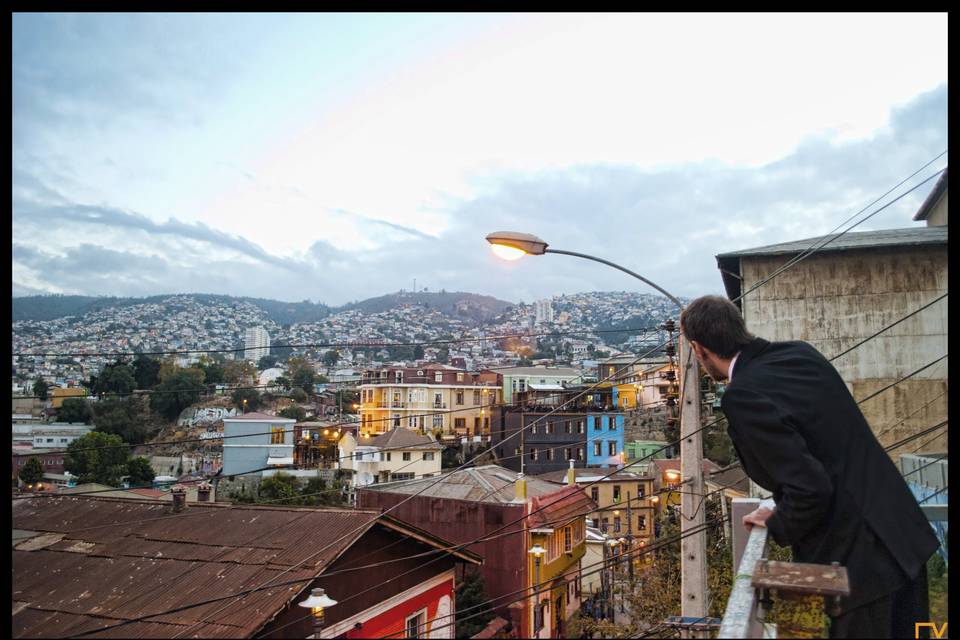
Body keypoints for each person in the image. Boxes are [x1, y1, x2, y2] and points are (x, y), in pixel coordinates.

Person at [679, 295, 939, 639]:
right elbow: (825, 450)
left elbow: (810, 489)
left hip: (856, 569)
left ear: (699, 350)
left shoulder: (743, 396)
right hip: (902, 540)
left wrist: (780, 522)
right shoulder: (800, 354)